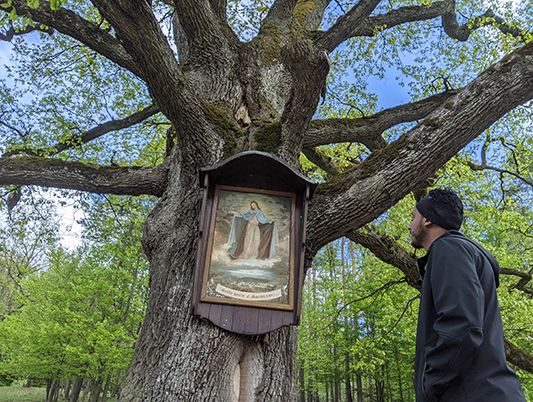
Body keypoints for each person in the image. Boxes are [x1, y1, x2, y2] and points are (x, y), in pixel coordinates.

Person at [408, 189, 526, 402]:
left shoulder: (448, 247)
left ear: (427, 221)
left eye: (413, 217)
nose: (409, 225)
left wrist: (429, 385)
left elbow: (463, 325)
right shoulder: (462, 253)